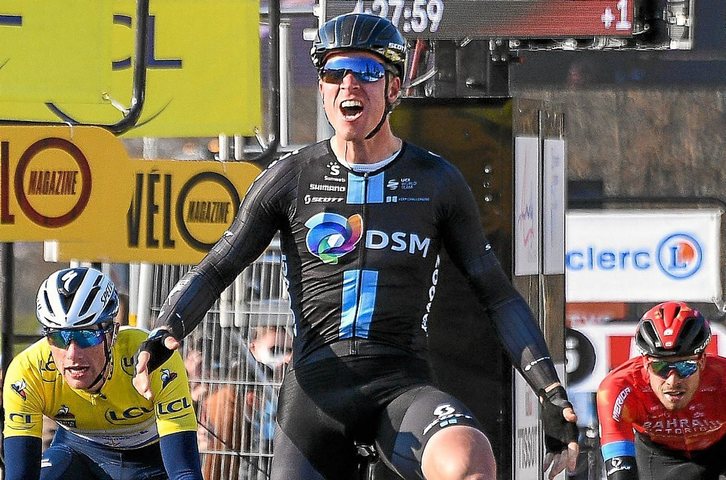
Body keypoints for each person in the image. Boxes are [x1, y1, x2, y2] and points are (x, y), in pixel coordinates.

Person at [134, 12, 578, 480]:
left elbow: (498, 295)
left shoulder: (436, 180)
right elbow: (217, 267)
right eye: (334, 72)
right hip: (316, 394)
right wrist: (166, 328)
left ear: (394, 88)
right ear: (322, 89)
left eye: (366, 71)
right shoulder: (291, 176)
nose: (349, 84)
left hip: (401, 387)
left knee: (470, 463)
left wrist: (550, 393)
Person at [2, 267, 203, 480]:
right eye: (59, 337)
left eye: (86, 336)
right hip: (79, 454)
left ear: (112, 333)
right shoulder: (28, 372)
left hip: (152, 460)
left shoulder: (151, 360)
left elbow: (184, 471)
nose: (72, 354)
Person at [596, 301, 726, 480]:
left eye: (686, 367)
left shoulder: (722, 379)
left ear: (702, 361)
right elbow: (619, 468)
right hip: (661, 456)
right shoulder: (620, 387)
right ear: (645, 363)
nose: (673, 381)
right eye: (661, 367)